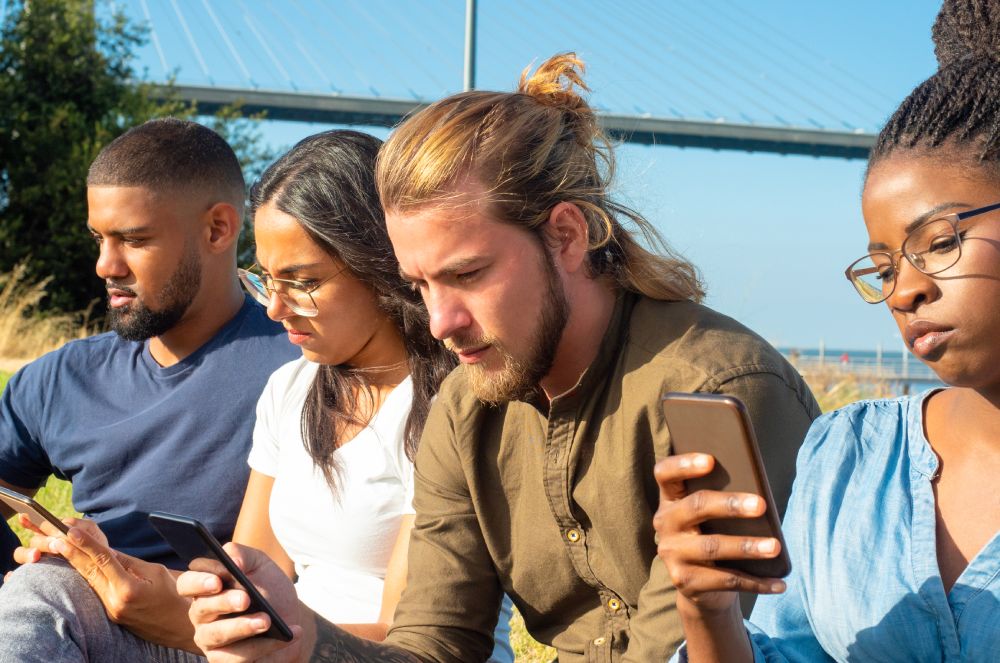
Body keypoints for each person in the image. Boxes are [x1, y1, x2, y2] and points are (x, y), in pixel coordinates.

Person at [178, 53, 820, 663]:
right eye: (420, 285)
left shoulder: (719, 391)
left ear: (565, 235)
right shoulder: (465, 407)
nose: (440, 323)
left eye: (468, 274)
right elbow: (434, 647)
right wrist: (305, 642)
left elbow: (684, 647)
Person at [0, 130, 514, 663]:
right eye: (266, 280)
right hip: (266, 651)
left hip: (348, 654)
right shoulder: (292, 389)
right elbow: (248, 574)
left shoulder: (448, 407)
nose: (275, 309)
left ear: (382, 264)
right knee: (49, 588)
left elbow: (418, 642)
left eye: (302, 281)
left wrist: (230, 629)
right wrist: (128, 574)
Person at [654, 1, 1000, 660]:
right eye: (882, 267)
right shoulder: (850, 458)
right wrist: (706, 610)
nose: (904, 290)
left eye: (940, 240)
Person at [0, 117, 298, 577]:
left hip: (207, 633)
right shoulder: (61, 378)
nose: (105, 265)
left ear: (218, 230)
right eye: (99, 239)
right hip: (63, 618)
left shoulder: (300, 369)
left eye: (134, 240)